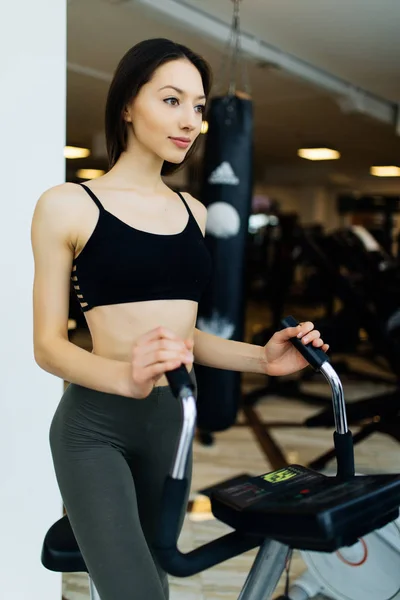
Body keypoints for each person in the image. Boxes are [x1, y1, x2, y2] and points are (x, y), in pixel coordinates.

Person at [31, 38, 328, 600]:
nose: (190, 121)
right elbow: (48, 345)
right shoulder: (68, 204)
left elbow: (185, 336)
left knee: (158, 583)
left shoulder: (192, 212)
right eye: (172, 100)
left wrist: (263, 359)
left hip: (172, 425)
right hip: (95, 429)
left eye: (198, 107)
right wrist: (125, 376)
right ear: (126, 104)